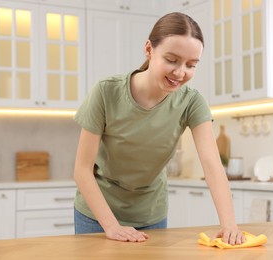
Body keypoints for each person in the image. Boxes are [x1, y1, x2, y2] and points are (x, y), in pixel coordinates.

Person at [73, 12, 245, 245]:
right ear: (148, 49)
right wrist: (112, 227)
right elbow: (82, 170)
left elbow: (212, 165)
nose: (180, 72)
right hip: (97, 216)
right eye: (172, 60)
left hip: (151, 215)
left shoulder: (192, 102)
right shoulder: (106, 92)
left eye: (191, 65)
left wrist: (229, 226)